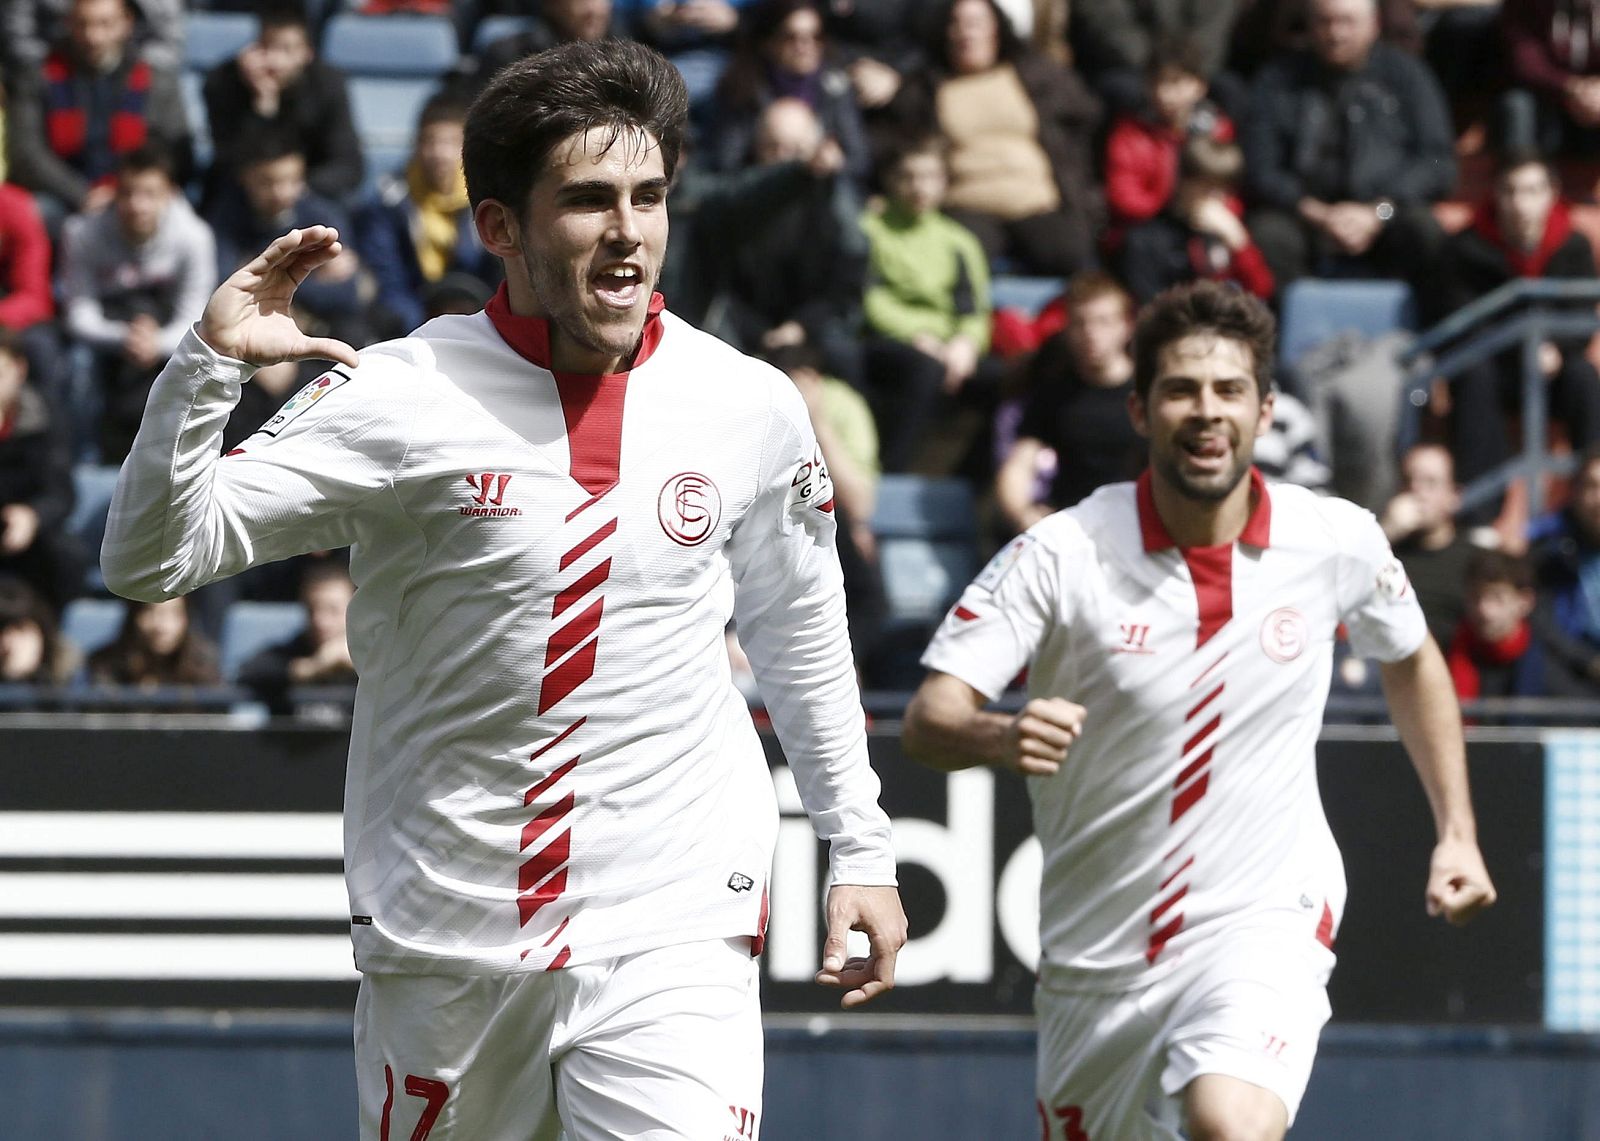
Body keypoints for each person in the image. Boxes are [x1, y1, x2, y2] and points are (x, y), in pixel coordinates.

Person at [100, 37, 905, 1140]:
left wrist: (857, 842)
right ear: (500, 227)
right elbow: (150, 559)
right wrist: (206, 368)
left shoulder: (747, 404)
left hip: (671, 921)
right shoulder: (396, 394)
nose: (627, 231)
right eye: (586, 200)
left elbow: (800, 628)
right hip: (447, 938)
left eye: (649, 196)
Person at [902, 280, 1495, 1140]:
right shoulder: (1061, 554)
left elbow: (1410, 659)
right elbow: (928, 718)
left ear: (1265, 408)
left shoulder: (1334, 540)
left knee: (1229, 1120)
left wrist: (1458, 829)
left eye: (1228, 390)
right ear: (1141, 410)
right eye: (1181, 389)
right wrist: (999, 732)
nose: (1206, 411)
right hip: (1097, 958)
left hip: (1263, 916)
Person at [1241, 0, 1456, 289]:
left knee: (1424, 232)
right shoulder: (1278, 79)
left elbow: (1437, 161)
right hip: (1305, 215)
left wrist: (1378, 212)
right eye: (1325, 22)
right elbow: (1261, 166)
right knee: (1268, 235)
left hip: (1387, 213)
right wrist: (1317, 214)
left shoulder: (1408, 76)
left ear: (1374, 25)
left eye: (1347, 22)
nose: (1336, 33)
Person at [883, 0, 1103, 277]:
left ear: (996, 29)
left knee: (1072, 252)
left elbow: (1083, 121)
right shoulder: (926, 89)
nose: (966, 34)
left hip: (1037, 200)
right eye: (957, 25)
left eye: (975, 24)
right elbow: (898, 142)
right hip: (968, 205)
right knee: (961, 260)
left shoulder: (1035, 74)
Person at [1432, 150, 1600, 499]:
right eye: (1511, 191)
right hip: (1495, 366)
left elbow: (1582, 317)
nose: (1521, 203)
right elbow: (1457, 318)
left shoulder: (1573, 244)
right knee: (1473, 376)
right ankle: (1480, 509)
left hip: (1552, 366)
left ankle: (1592, 489)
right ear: (1496, 193)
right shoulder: (1465, 247)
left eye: (1532, 190)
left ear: (1551, 194)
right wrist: (1516, 346)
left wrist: (1557, 348)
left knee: (1583, 375)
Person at [59, 143, 216, 462]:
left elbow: (195, 317)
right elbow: (79, 314)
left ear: (170, 193)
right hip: (109, 335)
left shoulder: (194, 237)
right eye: (128, 193)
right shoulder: (81, 234)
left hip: (166, 334)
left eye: (149, 194)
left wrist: (156, 342)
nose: (137, 205)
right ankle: (83, 462)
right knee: (76, 367)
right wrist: (125, 336)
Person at [858, 135, 994, 473]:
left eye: (930, 177)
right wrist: (919, 336)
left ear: (944, 183)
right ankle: (893, 473)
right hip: (888, 342)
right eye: (909, 176)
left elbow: (973, 308)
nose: (920, 187)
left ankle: (971, 481)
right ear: (892, 180)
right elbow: (870, 299)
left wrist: (966, 345)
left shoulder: (959, 241)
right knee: (924, 369)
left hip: (948, 349)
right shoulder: (869, 232)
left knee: (1009, 380)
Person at [4, 0, 191, 224]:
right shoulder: (38, 76)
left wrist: (123, 192)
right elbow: (27, 154)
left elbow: (174, 150)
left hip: (136, 193)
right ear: (69, 23)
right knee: (33, 214)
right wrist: (81, 194)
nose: (93, 36)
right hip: (64, 196)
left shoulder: (155, 79)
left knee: (181, 223)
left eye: (105, 24)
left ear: (126, 23)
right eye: (83, 24)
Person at [994, 271, 1142, 534]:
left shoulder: (1151, 392)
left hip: (1140, 529)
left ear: (1126, 325)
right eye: (1080, 323)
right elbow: (1019, 464)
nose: (1091, 333)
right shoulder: (1054, 393)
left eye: (1103, 322)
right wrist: (1023, 515)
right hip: (1074, 529)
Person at [356, 93, 500, 341]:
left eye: (450, 142)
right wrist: (423, 329)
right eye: (430, 141)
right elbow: (388, 279)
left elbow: (501, 272)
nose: (439, 153)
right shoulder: (389, 202)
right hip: (412, 319)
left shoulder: (489, 198)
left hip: (480, 315)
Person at [201, 2, 364, 208]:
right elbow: (229, 161)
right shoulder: (223, 82)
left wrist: (294, 187)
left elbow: (348, 166)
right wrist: (263, 106)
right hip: (247, 195)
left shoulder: (328, 84)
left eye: (286, 49)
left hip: (310, 194)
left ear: (307, 53)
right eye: (268, 47)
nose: (275, 61)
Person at [0, 328, 83, 612]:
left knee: (65, 556)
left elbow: (61, 493)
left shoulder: (45, 415)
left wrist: (32, 516)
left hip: (28, 539)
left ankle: (48, 640)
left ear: (19, 369)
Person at [1381, 443, 1475, 651]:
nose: (1416, 490)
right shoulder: (1384, 552)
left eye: (1430, 483)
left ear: (1454, 497)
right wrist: (1386, 533)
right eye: (1408, 480)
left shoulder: (1474, 561)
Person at [236, 559, 359, 713]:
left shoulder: (369, 658)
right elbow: (248, 673)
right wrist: (314, 668)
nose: (320, 621)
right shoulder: (293, 651)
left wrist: (356, 664)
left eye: (332, 610)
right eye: (312, 610)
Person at [87, 595, 221, 688]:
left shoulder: (203, 665)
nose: (161, 626)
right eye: (149, 611)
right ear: (133, 617)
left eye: (174, 613)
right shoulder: (105, 664)